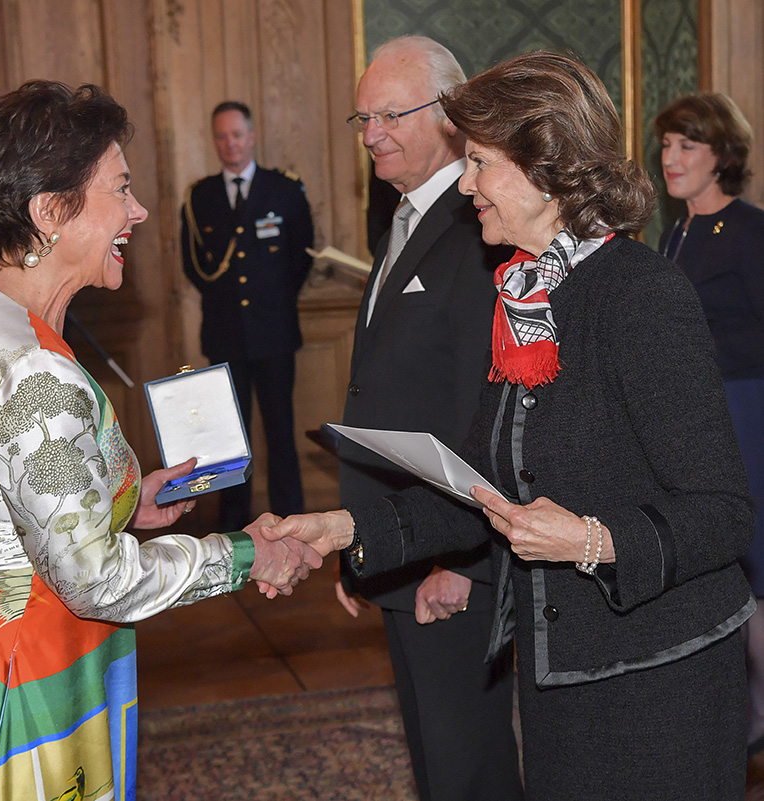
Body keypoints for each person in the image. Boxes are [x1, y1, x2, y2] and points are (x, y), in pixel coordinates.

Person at [262, 51, 756, 801]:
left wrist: (593, 539)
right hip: (560, 678)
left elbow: (723, 514)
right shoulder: (526, 294)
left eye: (481, 162)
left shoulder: (640, 295)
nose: (465, 184)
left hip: (662, 684)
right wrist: (339, 527)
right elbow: (479, 481)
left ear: (547, 166)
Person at [0, 81, 321, 801]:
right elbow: (93, 580)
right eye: (119, 189)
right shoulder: (30, 366)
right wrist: (245, 553)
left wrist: (121, 499)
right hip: (25, 677)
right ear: (50, 210)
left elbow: (11, 497)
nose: (139, 210)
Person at [338, 35, 521, 801]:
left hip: (449, 558)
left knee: (467, 766)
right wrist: (366, 545)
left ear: (448, 114)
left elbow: (491, 405)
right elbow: (387, 394)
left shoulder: (479, 224)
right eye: (362, 116)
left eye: (389, 114)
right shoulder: (405, 219)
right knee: (434, 761)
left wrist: (465, 560)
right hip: (401, 546)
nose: (372, 132)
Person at [655, 92, 764, 757]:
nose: (670, 158)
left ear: (722, 156)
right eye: (665, 145)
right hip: (693, 420)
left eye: (686, 146)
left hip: (747, 416)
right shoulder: (674, 232)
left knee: (756, 568)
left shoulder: (751, 230)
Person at [181, 101, 313, 531]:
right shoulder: (200, 197)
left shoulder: (284, 190)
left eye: (236, 135)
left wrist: (269, 300)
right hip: (224, 335)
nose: (230, 144)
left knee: (280, 433)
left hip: (274, 333)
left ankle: (289, 520)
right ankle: (232, 524)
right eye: (221, 136)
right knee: (229, 441)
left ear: (252, 137)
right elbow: (193, 264)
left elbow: (300, 258)